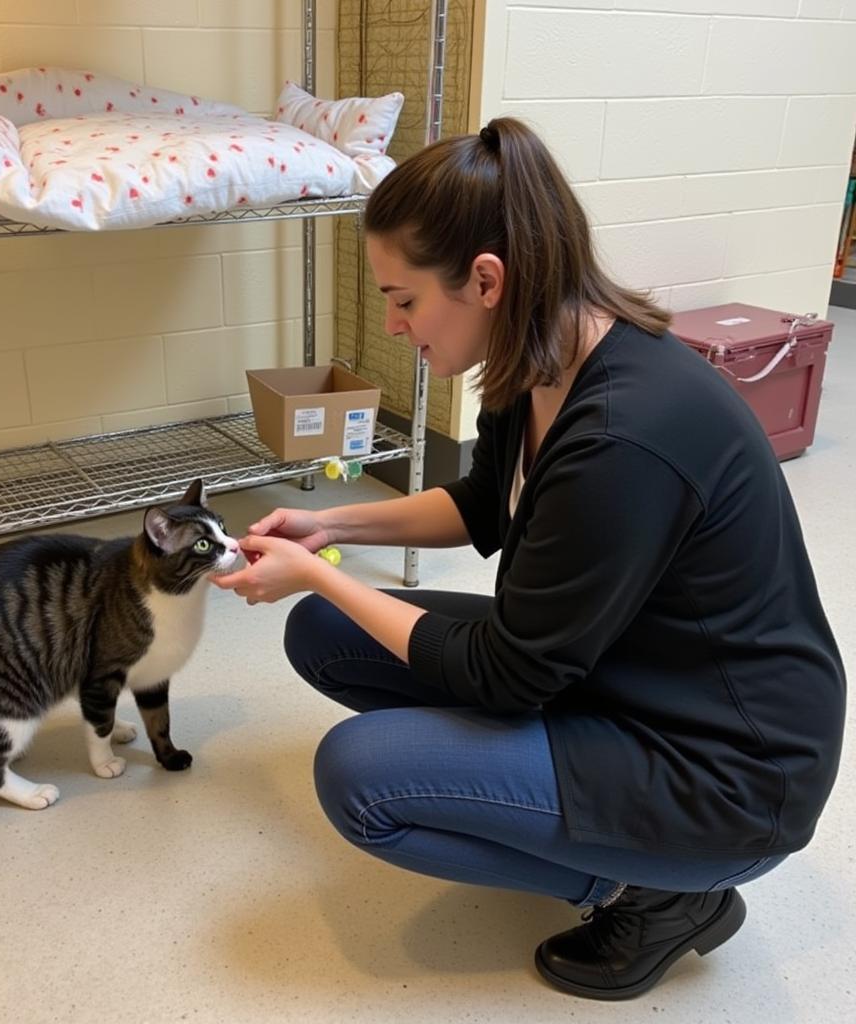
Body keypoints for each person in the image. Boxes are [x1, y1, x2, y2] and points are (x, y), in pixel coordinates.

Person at [210, 117, 846, 1000]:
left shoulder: (624, 436)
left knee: (359, 779)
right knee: (324, 630)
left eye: (402, 299)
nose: (394, 326)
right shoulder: (539, 361)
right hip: (628, 671)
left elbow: (507, 675)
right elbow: (485, 505)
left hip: (727, 770)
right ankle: (595, 824)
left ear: (485, 279)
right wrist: (333, 532)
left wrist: (318, 571)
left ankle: (660, 894)